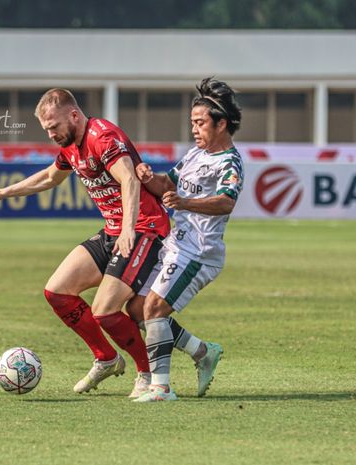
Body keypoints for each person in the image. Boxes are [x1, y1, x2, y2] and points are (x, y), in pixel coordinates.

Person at [0, 88, 178, 396]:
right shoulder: (70, 144)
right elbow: (48, 178)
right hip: (114, 230)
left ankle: (146, 374)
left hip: (144, 229)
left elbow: (130, 179)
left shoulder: (102, 136)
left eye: (54, 126)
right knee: (57, 292)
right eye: (47, 130)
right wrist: (0, 192)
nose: (52, 134)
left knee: (106, 311)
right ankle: (106, 357)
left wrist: (127, 230)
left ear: (73, 115)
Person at [131, 77, 244, 402]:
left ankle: (161, 388)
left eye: (200, 123)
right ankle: (202, 352)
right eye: (192, 123)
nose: (194, 129)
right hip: (175, 245)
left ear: (221, 123)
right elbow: (169, 183)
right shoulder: (195, 154)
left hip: (198, 253)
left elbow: (226, 201)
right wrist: (150, 178)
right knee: (138, 308)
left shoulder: (230, 162)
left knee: (153, 308)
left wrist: (184, 202)